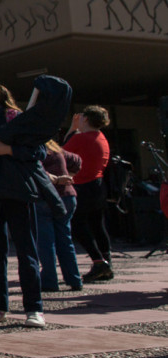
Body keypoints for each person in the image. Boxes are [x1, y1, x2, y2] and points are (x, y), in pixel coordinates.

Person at [0, 72, 70, 329]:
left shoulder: (15, 118)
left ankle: (34, 308)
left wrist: (9, 149)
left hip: (19, 194)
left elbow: (40, 150)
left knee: (27, 253)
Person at [63, 106, 113, 282]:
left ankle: (98, 261)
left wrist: (72, 129)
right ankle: (106, 261)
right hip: (98, 186)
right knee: (98, 224)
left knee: (77, 224)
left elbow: (62, 153)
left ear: (86, 119)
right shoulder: (102, 137)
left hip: (82, 186)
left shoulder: (81, 138)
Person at [36, 140, 84, 292]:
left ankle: (50, 281)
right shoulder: (55, 148)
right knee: (65, 239)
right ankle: (74, 279)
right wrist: (68, 175)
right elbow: (76, 160)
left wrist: (55, 179)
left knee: (46, 242)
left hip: (45, 197)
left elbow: (36, 170)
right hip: (67, 195)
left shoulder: (33, 148)